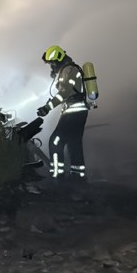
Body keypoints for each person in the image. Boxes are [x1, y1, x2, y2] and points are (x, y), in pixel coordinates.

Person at [36, 45, 91, 181]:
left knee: (55, 141)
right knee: (74, 143)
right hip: (78, 111)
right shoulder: (68, 70)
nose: (51, 67)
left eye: (52, 63)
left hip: (73, 112)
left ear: (58, 59)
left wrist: (47, 107)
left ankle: (57, 176)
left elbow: (65, 92)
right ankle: (78, 177)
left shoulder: (69, 70)